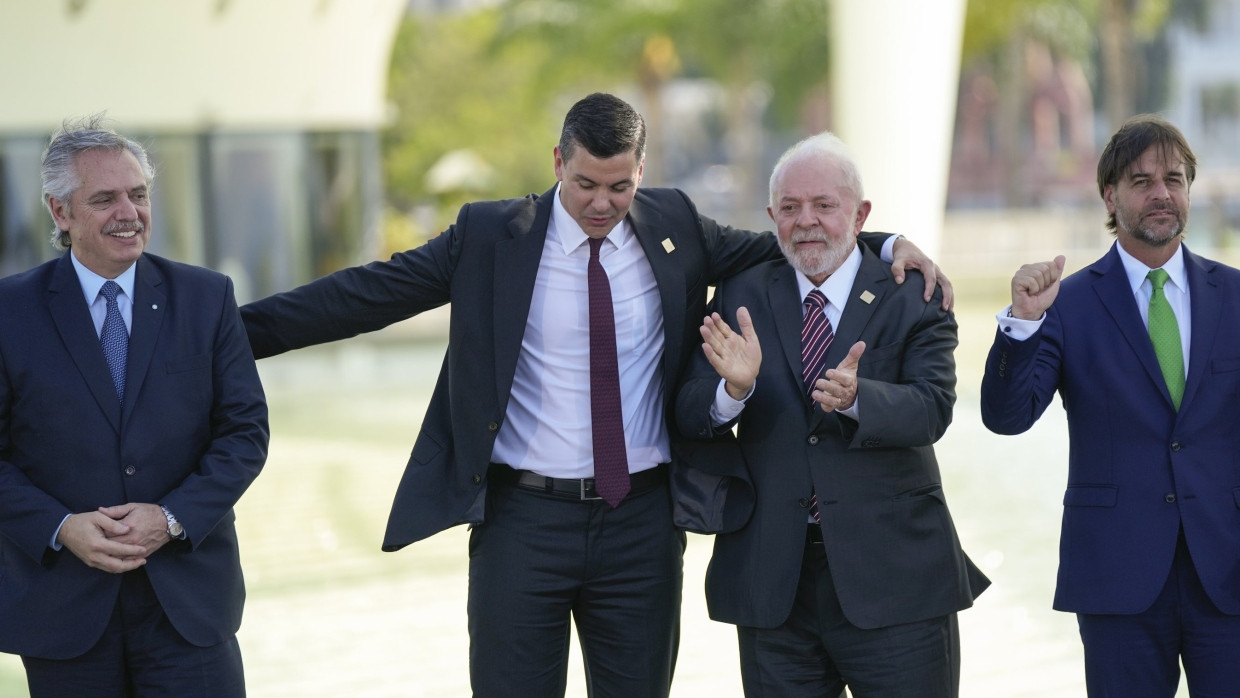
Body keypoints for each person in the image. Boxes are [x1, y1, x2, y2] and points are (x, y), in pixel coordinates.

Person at [239, 92, 947, 697]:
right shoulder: (492, 235)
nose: (602, 204)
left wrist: (885, 246)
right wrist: (227, 336)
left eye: (619, 186)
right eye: (585, 185)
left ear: (641, 171)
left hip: (640, 524)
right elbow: (367, 294)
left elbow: (795, 241)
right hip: (521, 522)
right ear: (557, 164)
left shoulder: (673, 226)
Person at [675, 131, 988, 697]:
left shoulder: (913, 295)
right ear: (772, 215)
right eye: (791, 208)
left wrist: (860, 399)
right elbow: (688, 410)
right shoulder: (739, 293)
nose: (807, 221)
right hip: (776, 588)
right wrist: (733, 391)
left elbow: (933, 409)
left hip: (896, 583)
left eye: (825, 205)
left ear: (861, 212)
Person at [0, 117, 269, 697]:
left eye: (139, 194)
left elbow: (245, 433)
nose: (129, 211)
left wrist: (170, 518)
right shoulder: (8, 312)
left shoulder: (207, 297)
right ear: (60, 212)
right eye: (105, 198)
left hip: (189, 605)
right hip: (63, 611)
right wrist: (60, 527)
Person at [980, 114, 1240, 696]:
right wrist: (1023, 322)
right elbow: (1006, 416)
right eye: (1142, 181)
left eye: (1174, 179)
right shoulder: (1066, 304)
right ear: (1110, 195)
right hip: (1116, 576)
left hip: (1228, 573)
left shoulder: (1237, 296)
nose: (1161, 194)